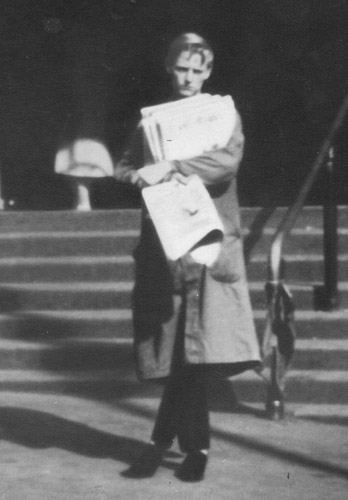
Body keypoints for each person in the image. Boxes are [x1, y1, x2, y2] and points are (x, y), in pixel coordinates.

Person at [113, 32, 261, 482]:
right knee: (176, 352)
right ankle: (189, 447)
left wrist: (174, 166)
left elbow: (226, 163)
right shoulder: (151, 123)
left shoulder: (220, 113)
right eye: (183, 68)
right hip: (165, 244)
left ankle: (170, 446)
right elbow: (123, 166)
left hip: (210, 240)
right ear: (169, 66)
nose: (190, 78)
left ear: (209, 72)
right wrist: (139, 174)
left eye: (199, 70)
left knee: (195, 352)